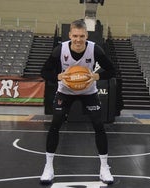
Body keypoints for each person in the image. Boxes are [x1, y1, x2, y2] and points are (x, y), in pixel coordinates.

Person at [40, 19, 115, 185]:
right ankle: (48, 167)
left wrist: (97, 75)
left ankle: (104, 168)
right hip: (65, 90)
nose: (78, 39)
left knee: (98, 125)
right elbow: (44, 71)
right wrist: (57, 76)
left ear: (86, 35)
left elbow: (111, 70)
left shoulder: (95, 49)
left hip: (88, 91)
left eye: (82, 36)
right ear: (69, 35)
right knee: (55, 124)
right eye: (75, 36)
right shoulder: (60, 49)